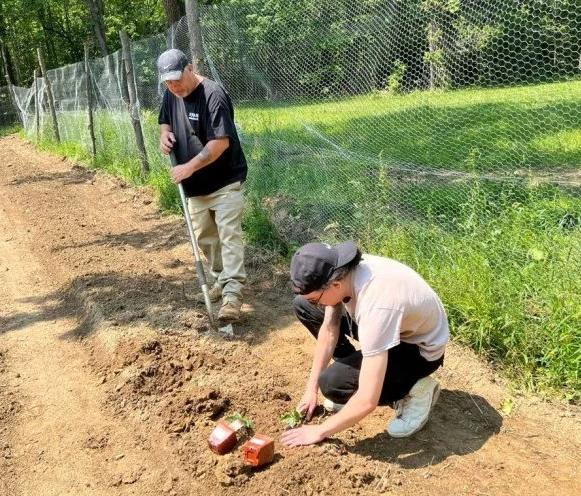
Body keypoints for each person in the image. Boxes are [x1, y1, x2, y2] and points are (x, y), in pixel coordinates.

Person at [281, 240, 449, 448]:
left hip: (420, 350)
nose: (315, 302)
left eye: (316, 298)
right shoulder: (341, 272)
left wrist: (319, 431)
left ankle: (415, 388)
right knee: (303, 306)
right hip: (395, 328)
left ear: (335, 285)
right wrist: (311, 388)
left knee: (332, 384)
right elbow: (329, 327)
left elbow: (368, 400)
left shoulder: (376, 305)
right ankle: (352, 374)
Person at [156, 49, 248, 323]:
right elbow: (164, 121)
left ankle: (233, 295)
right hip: (195, 187)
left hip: (224, 182)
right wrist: (165, 136)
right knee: (206, 239)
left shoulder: (213, 94)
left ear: (190, 68)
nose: (174, 87)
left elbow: (220, 143)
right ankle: (220, 280)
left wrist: (188, 167)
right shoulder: (172, 93)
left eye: (177, 80)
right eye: (168, 83)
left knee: (229, 236)